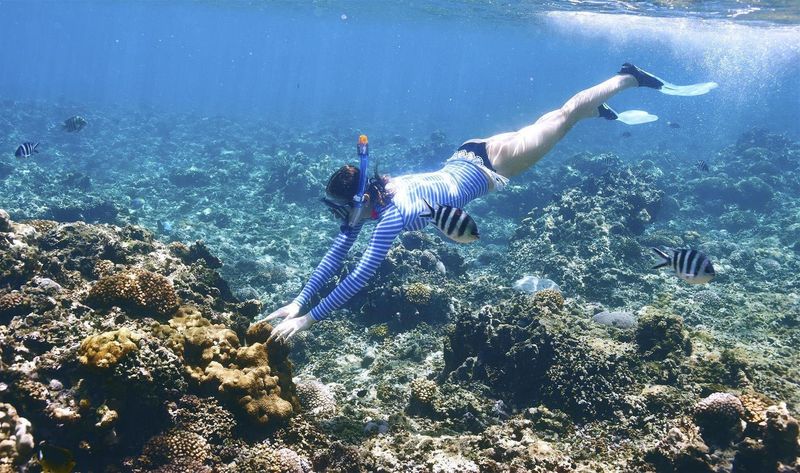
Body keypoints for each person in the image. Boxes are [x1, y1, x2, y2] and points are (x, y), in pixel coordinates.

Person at [265, 63, 717, 342]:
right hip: (469, 152)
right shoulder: (380, 198)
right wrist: (298, 302)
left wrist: (310, 320)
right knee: (549, 125)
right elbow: (338, 253)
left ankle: (627, 77)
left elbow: (359, 276)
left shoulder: (392, 216)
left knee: (561, 117)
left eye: (339, 208)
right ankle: (593, 109)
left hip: (491, 166)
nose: (339, 219)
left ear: (360, 198)